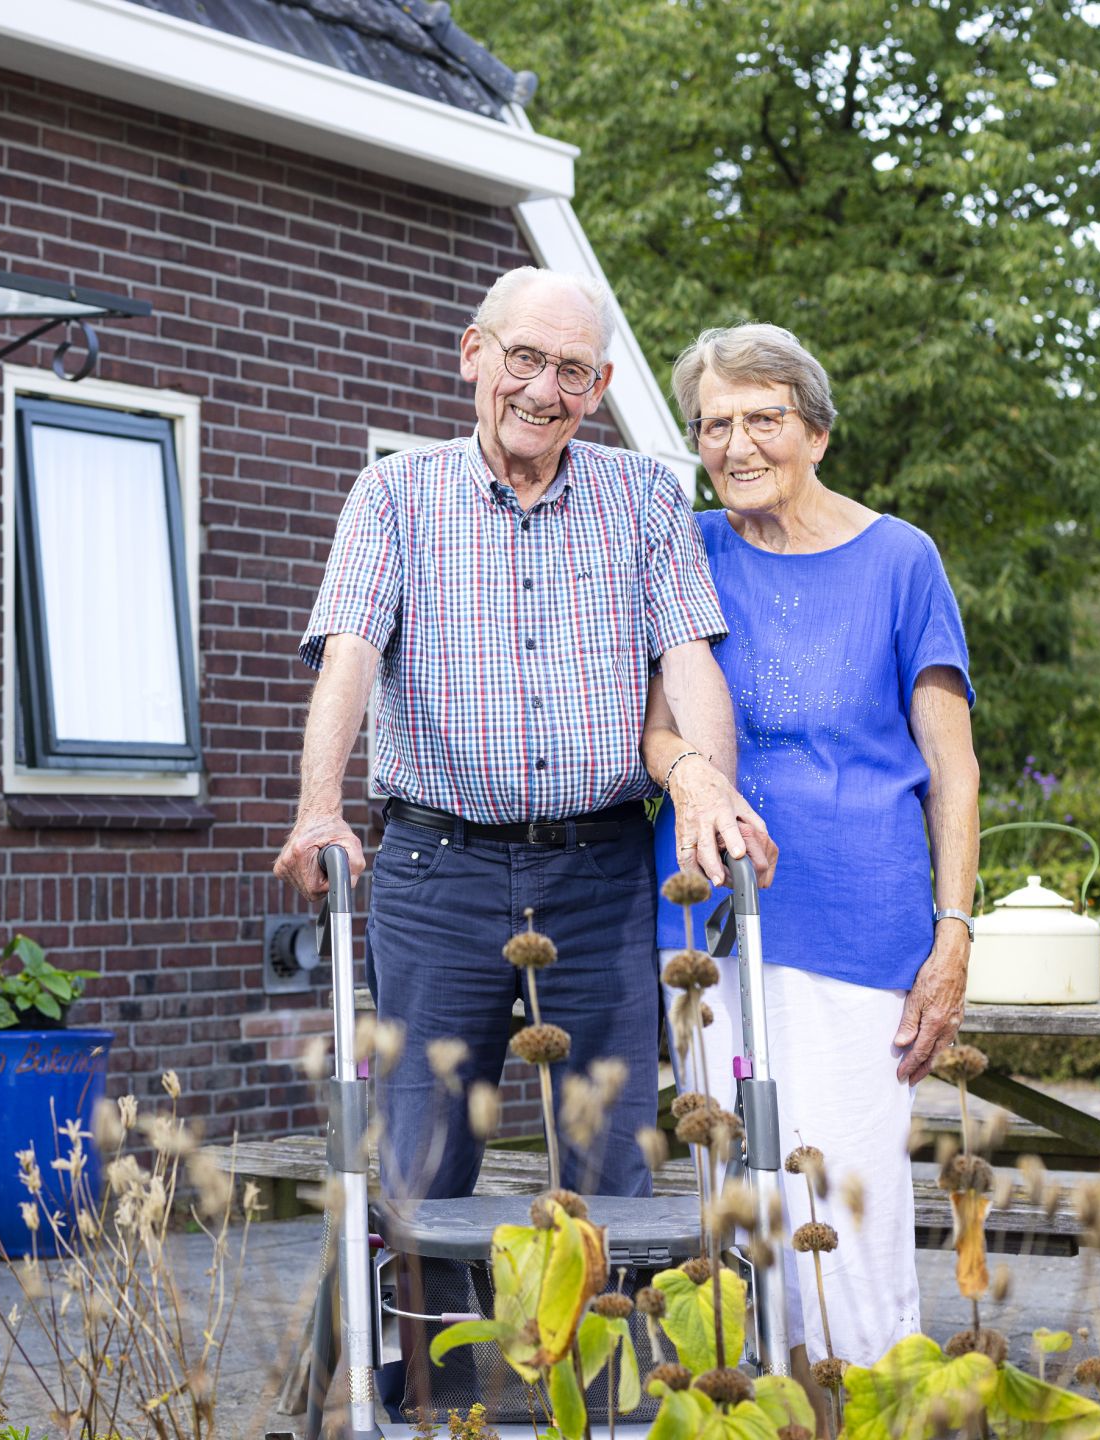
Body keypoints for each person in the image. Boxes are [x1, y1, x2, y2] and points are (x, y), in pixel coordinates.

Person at [274, 266, 773, 1203]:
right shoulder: (394, 495)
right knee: (422, 1161)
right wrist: (317, 810)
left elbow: (689, 659)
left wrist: (707, 785)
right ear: (475, 355)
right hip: (438, 872)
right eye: (527, 359)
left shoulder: (645, 498)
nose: (545, 391)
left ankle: (597, 1355)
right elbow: (347, 654)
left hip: (601, 875)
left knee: (611, 1161)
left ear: (601, 389)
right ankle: (422, 1356)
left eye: (574, 371)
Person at [646, 323, 980, 1373]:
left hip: (860, 921)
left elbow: (953, 766)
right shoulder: (688, 547)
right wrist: (689, 772)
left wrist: (955, 931)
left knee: (846, 1200)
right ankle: (766, 1407)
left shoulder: (901, 558)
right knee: (739, 1202)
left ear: (818, 433)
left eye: (763, 419)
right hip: (708, 928)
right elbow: (654, 731)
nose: (737, 444)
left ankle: (874, 1399)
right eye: (714, 425)